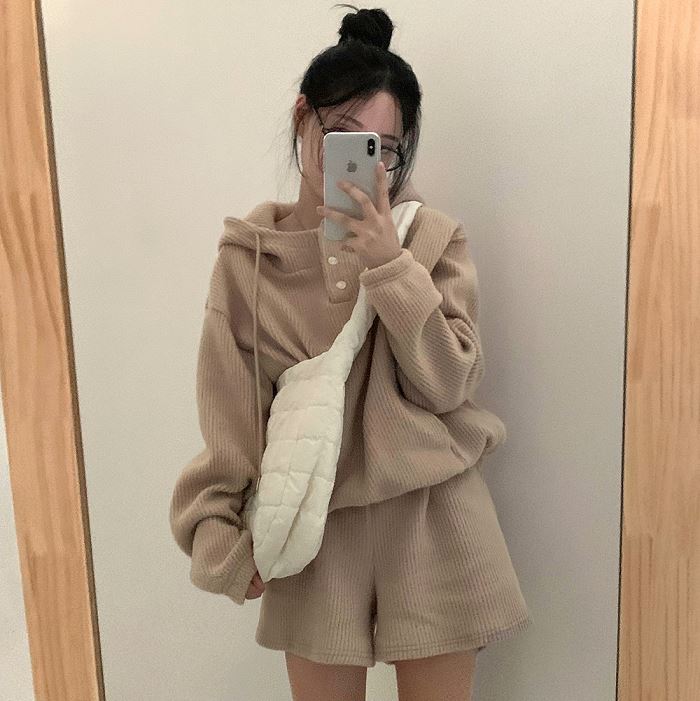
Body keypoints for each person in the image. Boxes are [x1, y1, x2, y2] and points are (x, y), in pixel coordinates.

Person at [169, 5, 532, 699]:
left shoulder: (432, 240)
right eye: (342, 136)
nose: (363, 162)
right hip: (316, 534)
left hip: (432, 523)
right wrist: (218, 530)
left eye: (382, 148)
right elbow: (231, 410)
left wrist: (391, 265)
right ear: (303, 119)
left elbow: (448, 383)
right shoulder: (250, 262)